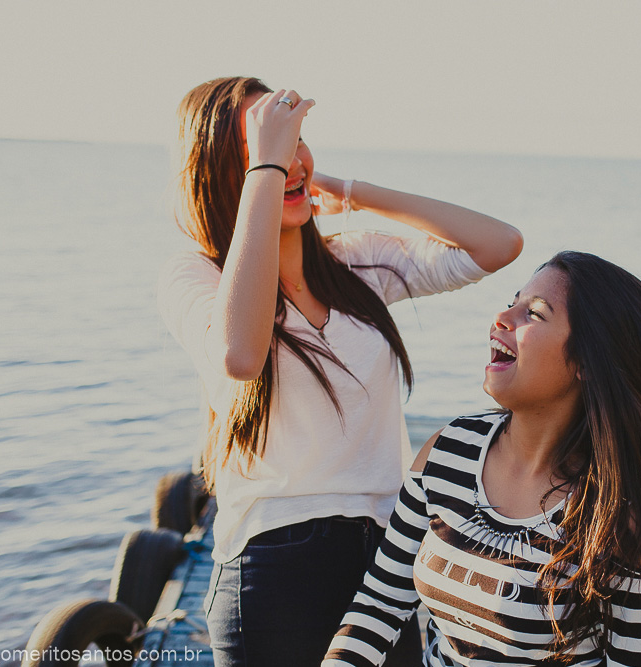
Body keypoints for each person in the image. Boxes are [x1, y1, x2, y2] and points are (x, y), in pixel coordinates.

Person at [157, 76, 523, 667]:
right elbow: (240, 356)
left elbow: (498, 244)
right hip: (272, 567)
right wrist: (269, 171)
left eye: (295, 139)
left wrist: (349, 191)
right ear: (218, 172)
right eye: (263, 145)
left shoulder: (355, 262)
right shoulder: (196, 275)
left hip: (384, 563)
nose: (290, 158)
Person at [323, 251, 641, 666]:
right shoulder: (449, 450)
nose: (502, 317)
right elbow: (380, 603)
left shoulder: (627, 515)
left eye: (534, 313)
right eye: (511, 302)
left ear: (587, 361)